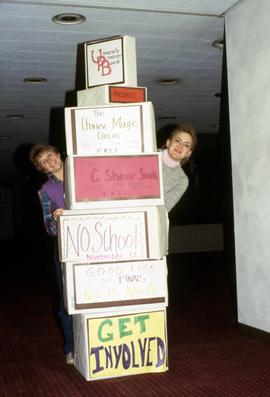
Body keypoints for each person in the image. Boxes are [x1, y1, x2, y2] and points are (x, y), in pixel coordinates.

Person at [29, 144, 74, 365]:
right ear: (42, 168)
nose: (49, 161)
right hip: (66, 248)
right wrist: (59, 219)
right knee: (67, 298)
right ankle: (71, 347)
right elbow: (49, 228)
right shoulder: (45, 190)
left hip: (98, 244)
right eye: (44, 162)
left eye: (50, 156)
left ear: (58, 154)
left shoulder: (84, 172)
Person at [161, 123, 197, 212]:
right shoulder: (148, 156)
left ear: (188, 153)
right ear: (168, 142)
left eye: (186, 145)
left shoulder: (181, 180)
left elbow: (163, 209)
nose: (180, 146)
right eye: (177, 141)